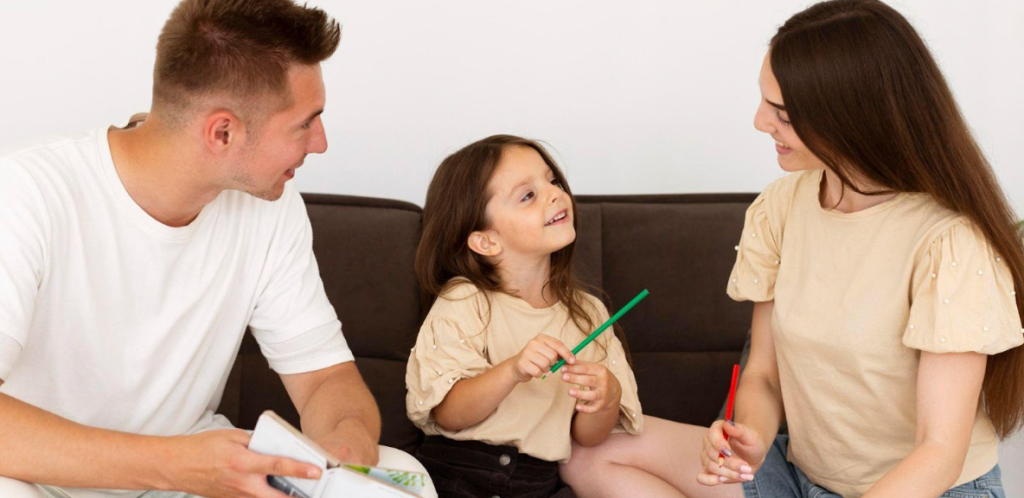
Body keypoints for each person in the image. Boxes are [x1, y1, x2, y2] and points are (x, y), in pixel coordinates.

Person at [0, 1, 433, 497]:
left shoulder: (270, 207)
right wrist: (173, 466)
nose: (320, 143)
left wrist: (339, 451)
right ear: (222, 132)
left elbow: (324, 378)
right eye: (304, 123)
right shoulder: (23, 193)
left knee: (402, 472)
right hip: (38, 478)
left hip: (192, 477)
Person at [694, 1, 1024, 497]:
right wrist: (752, 441)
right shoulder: (781, 207)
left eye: (783, 114)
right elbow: (763, 373)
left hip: (926, 490)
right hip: (805, 477)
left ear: (850, 118)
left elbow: (938, 453)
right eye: (765, 102)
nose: (760, 122)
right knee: (607, 455)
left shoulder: (949, 244)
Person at [406, 134, 719, 498]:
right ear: (486, 241)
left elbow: (588, 438)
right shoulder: (464, 300)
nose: (555, 194)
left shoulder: (588, 314)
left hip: (538, 483)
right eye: (528, 195)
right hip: (459, 474)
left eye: (552, 181)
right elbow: (448, 414)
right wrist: (512, 371)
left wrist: (605, 398)